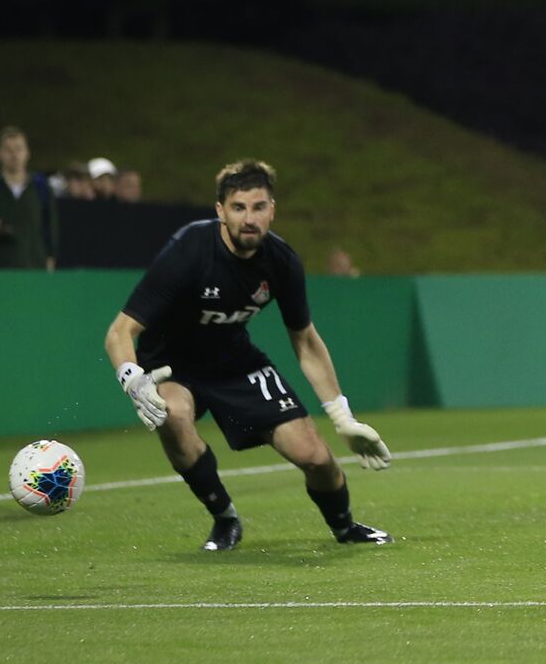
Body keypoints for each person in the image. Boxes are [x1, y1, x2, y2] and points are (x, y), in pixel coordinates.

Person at [103, 159, 394, 552]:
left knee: (315, 457)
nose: (249, 218)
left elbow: (305, 341)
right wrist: (132, 379)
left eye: (259, 207)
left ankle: (345, 528)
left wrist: (342, 417)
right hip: (171, 364)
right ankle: (225, 519)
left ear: (272, 209)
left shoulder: (282, 261)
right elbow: (120, 332)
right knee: (172, 415)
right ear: (220, 211)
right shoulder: (189, 250)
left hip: (234, 363)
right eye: (238, 207)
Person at [0, 127, 57, 270]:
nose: (14, 155)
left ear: (27, 153)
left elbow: (50, 227)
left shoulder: (41, 188)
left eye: (19, 149)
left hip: (34, 267)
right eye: (8, 150)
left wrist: (50, 257)